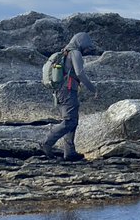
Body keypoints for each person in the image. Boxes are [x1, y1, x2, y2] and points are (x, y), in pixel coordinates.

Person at [40, 32, 99, 161]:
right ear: (81, 42)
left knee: (72, 120)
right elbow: (80, 73)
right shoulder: (75, 53)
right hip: (67, 91)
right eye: (87, 45)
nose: (87, 49)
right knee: (70, 121)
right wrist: (93, 89)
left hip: (60, 91)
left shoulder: (65, 52)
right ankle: (47, 142)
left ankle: (70, 152)